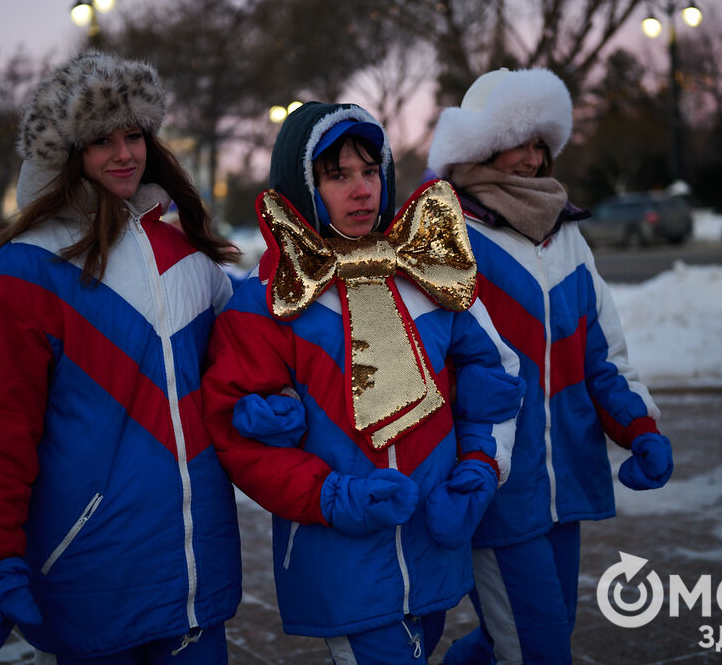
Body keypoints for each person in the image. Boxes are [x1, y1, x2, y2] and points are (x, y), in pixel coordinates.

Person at [0, 51, 243, 664]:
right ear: (65, 151)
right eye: (102, 139)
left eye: (134, 134)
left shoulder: (190, 254)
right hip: (90, 580)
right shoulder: (23, 271)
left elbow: (239, 372)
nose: (124, 153)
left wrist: (266, 401)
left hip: (195, 579)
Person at [202, 101, 524, 664]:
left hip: (435, 544)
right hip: (340, 557)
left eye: (370, 172)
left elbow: (494, 373)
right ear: (302, 185)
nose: (361, 190)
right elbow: (240, 435)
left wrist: (479, 466)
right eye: (337, 175)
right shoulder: (267, 303)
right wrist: (334, 497)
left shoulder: (428, 279)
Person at [426, 68, 674, 664]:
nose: (535, 159)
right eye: (521, 140)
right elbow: (429, 363)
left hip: (566, 478)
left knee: (532, 635)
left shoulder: (565, 232)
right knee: (536, 648)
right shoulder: (443, 230)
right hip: (496, 482)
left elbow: (601, 353)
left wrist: (638, 426)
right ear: (481, 145)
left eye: (543, 143)